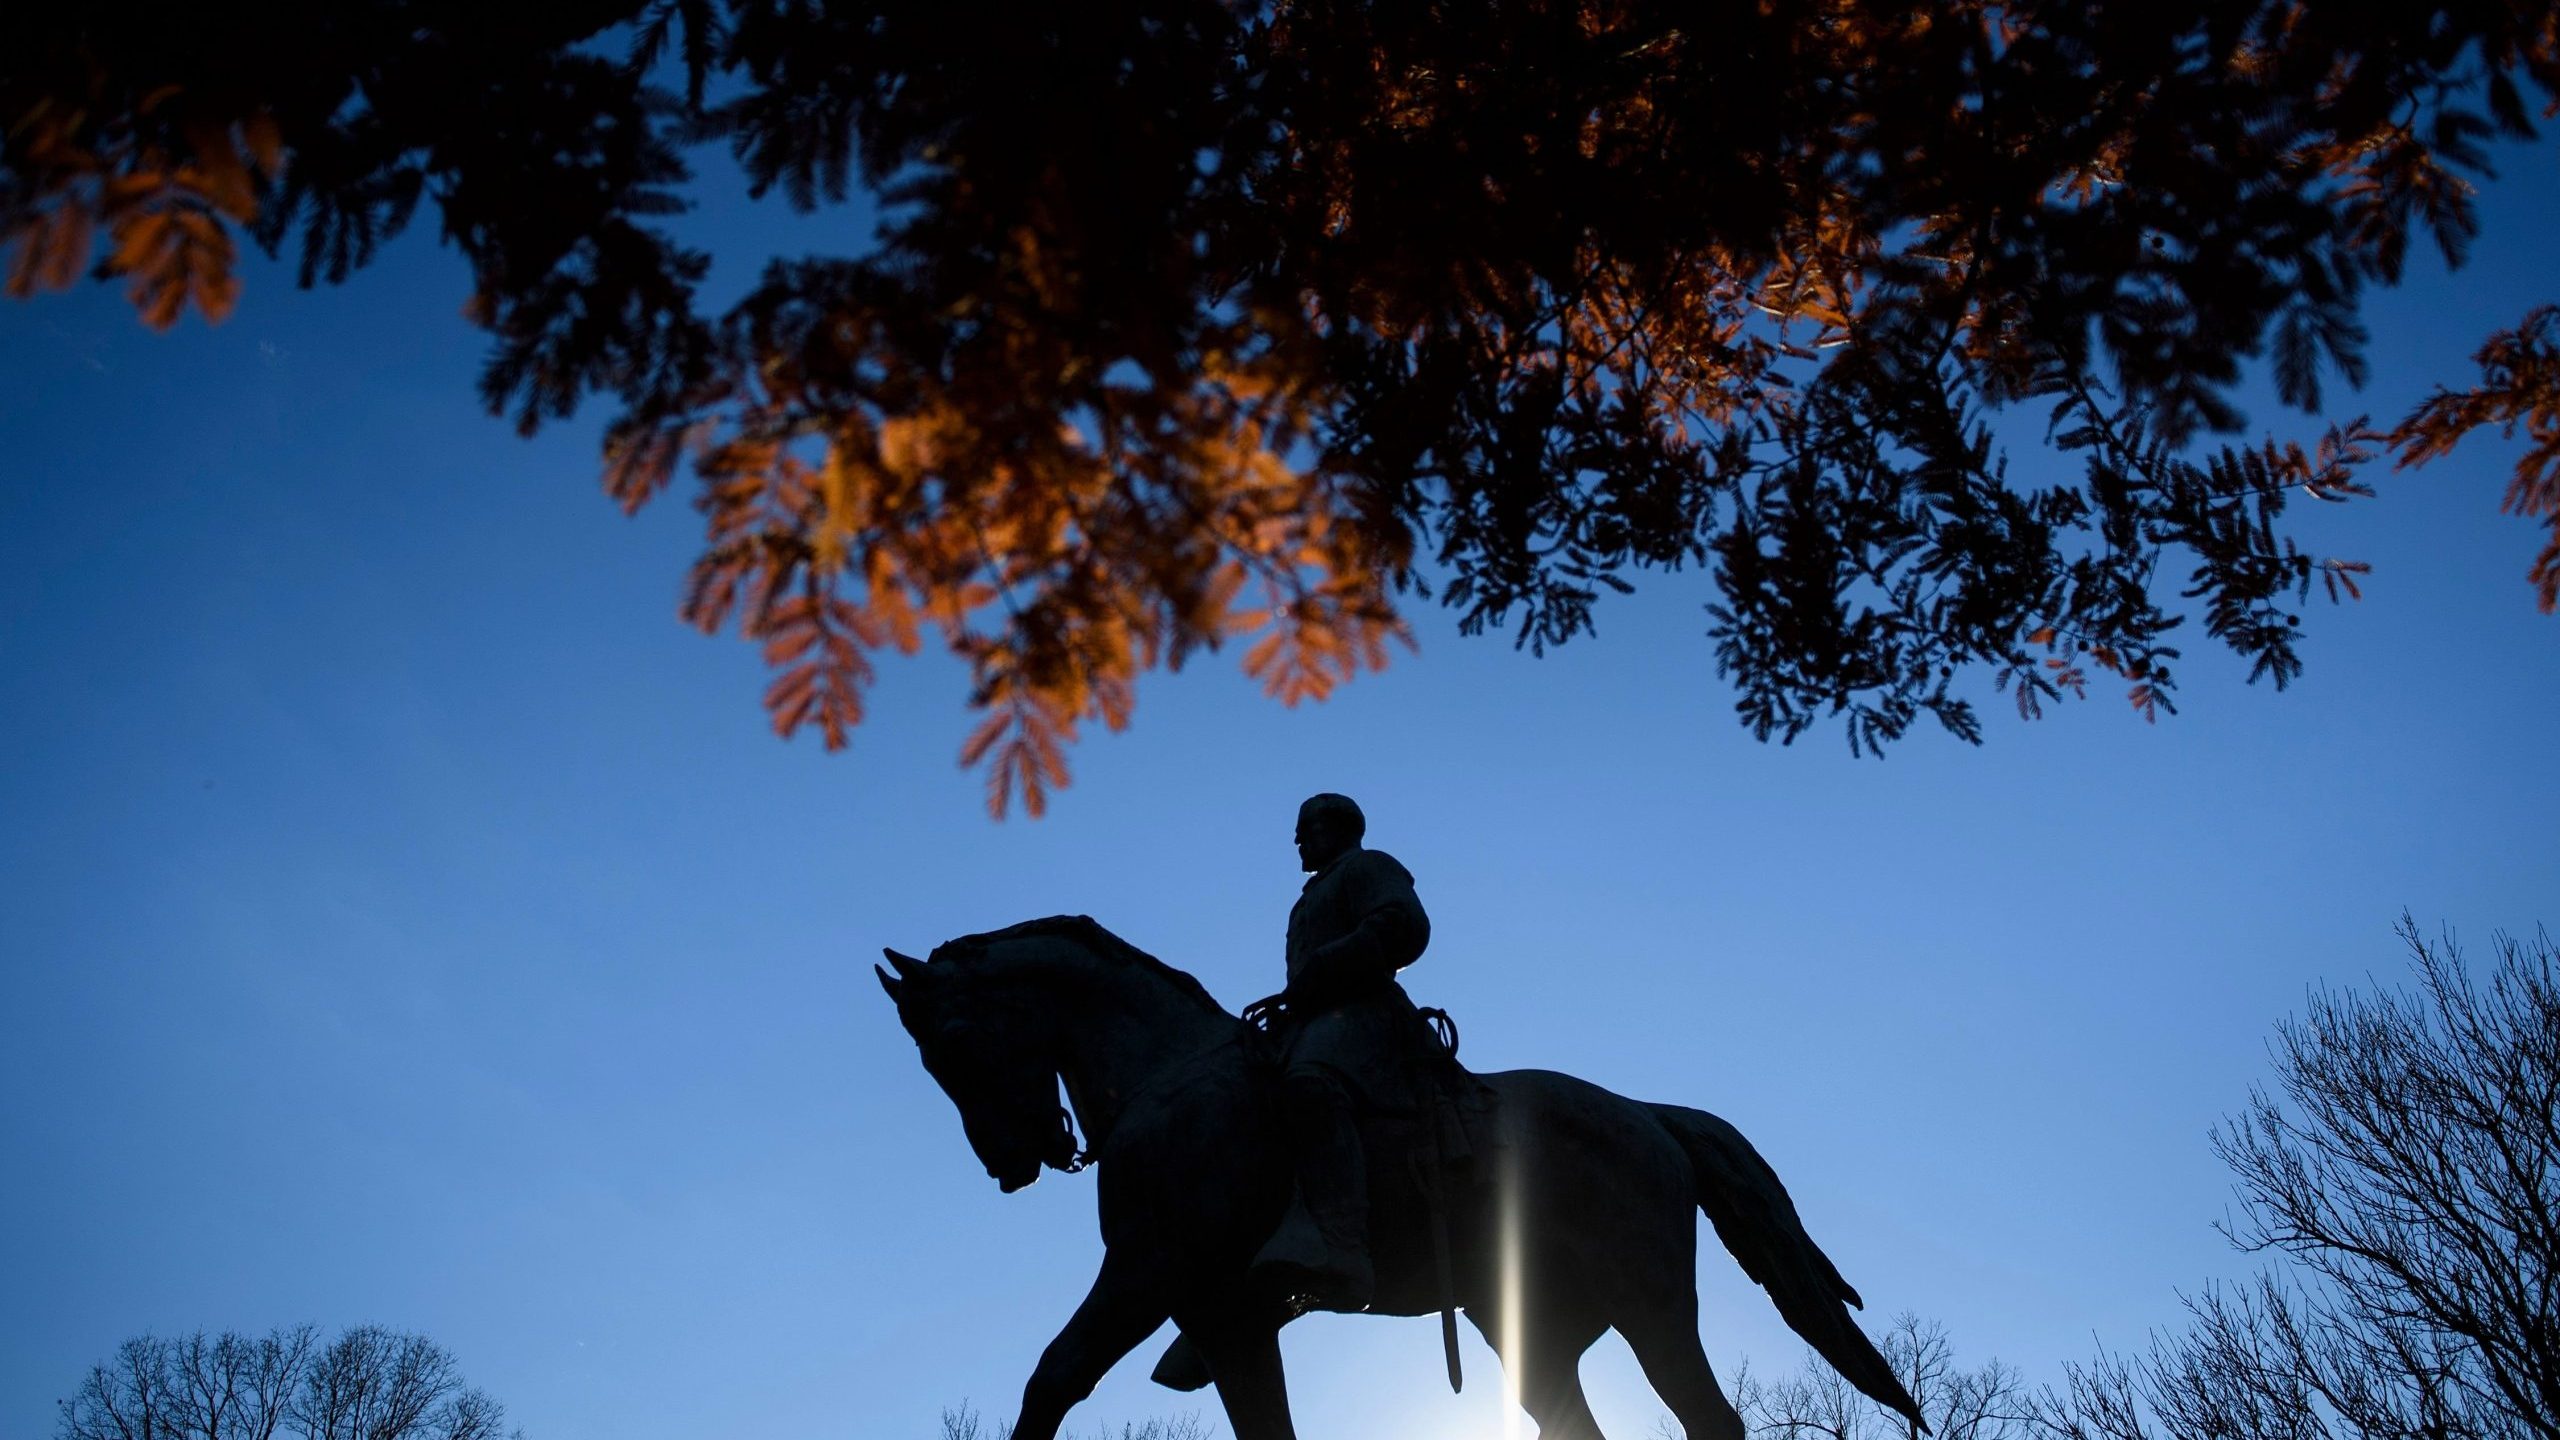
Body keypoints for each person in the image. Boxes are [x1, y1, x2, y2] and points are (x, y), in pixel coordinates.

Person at [1241, 792, 1430, 1312]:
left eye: (1308, 826)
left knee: (1309, 1085)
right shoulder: (1307, 899)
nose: (1298, 838)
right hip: (1311, 1021)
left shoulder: (1370, 867)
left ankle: (1343, 1245)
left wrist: (1332, 962)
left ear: (1341, 828)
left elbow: (1404, 925)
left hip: (1366, 1015)